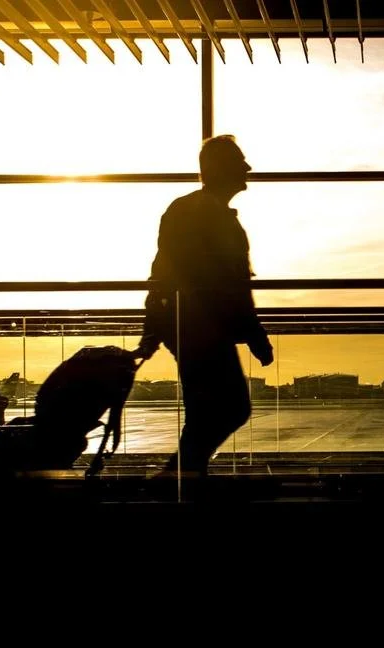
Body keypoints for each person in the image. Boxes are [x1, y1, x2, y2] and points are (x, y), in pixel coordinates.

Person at [135, 135, 274, 480]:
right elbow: (229, 284)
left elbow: (163, 272)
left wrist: (153, 328)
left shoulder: (189, 209)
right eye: (240, 160)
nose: (247, 167)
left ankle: (183, 478)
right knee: (230, 408)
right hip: (202, 328)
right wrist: (255, 335)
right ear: (219, 168)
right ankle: (179, 478)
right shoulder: (208, 214)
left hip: (190, 326)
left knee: (208, 411)